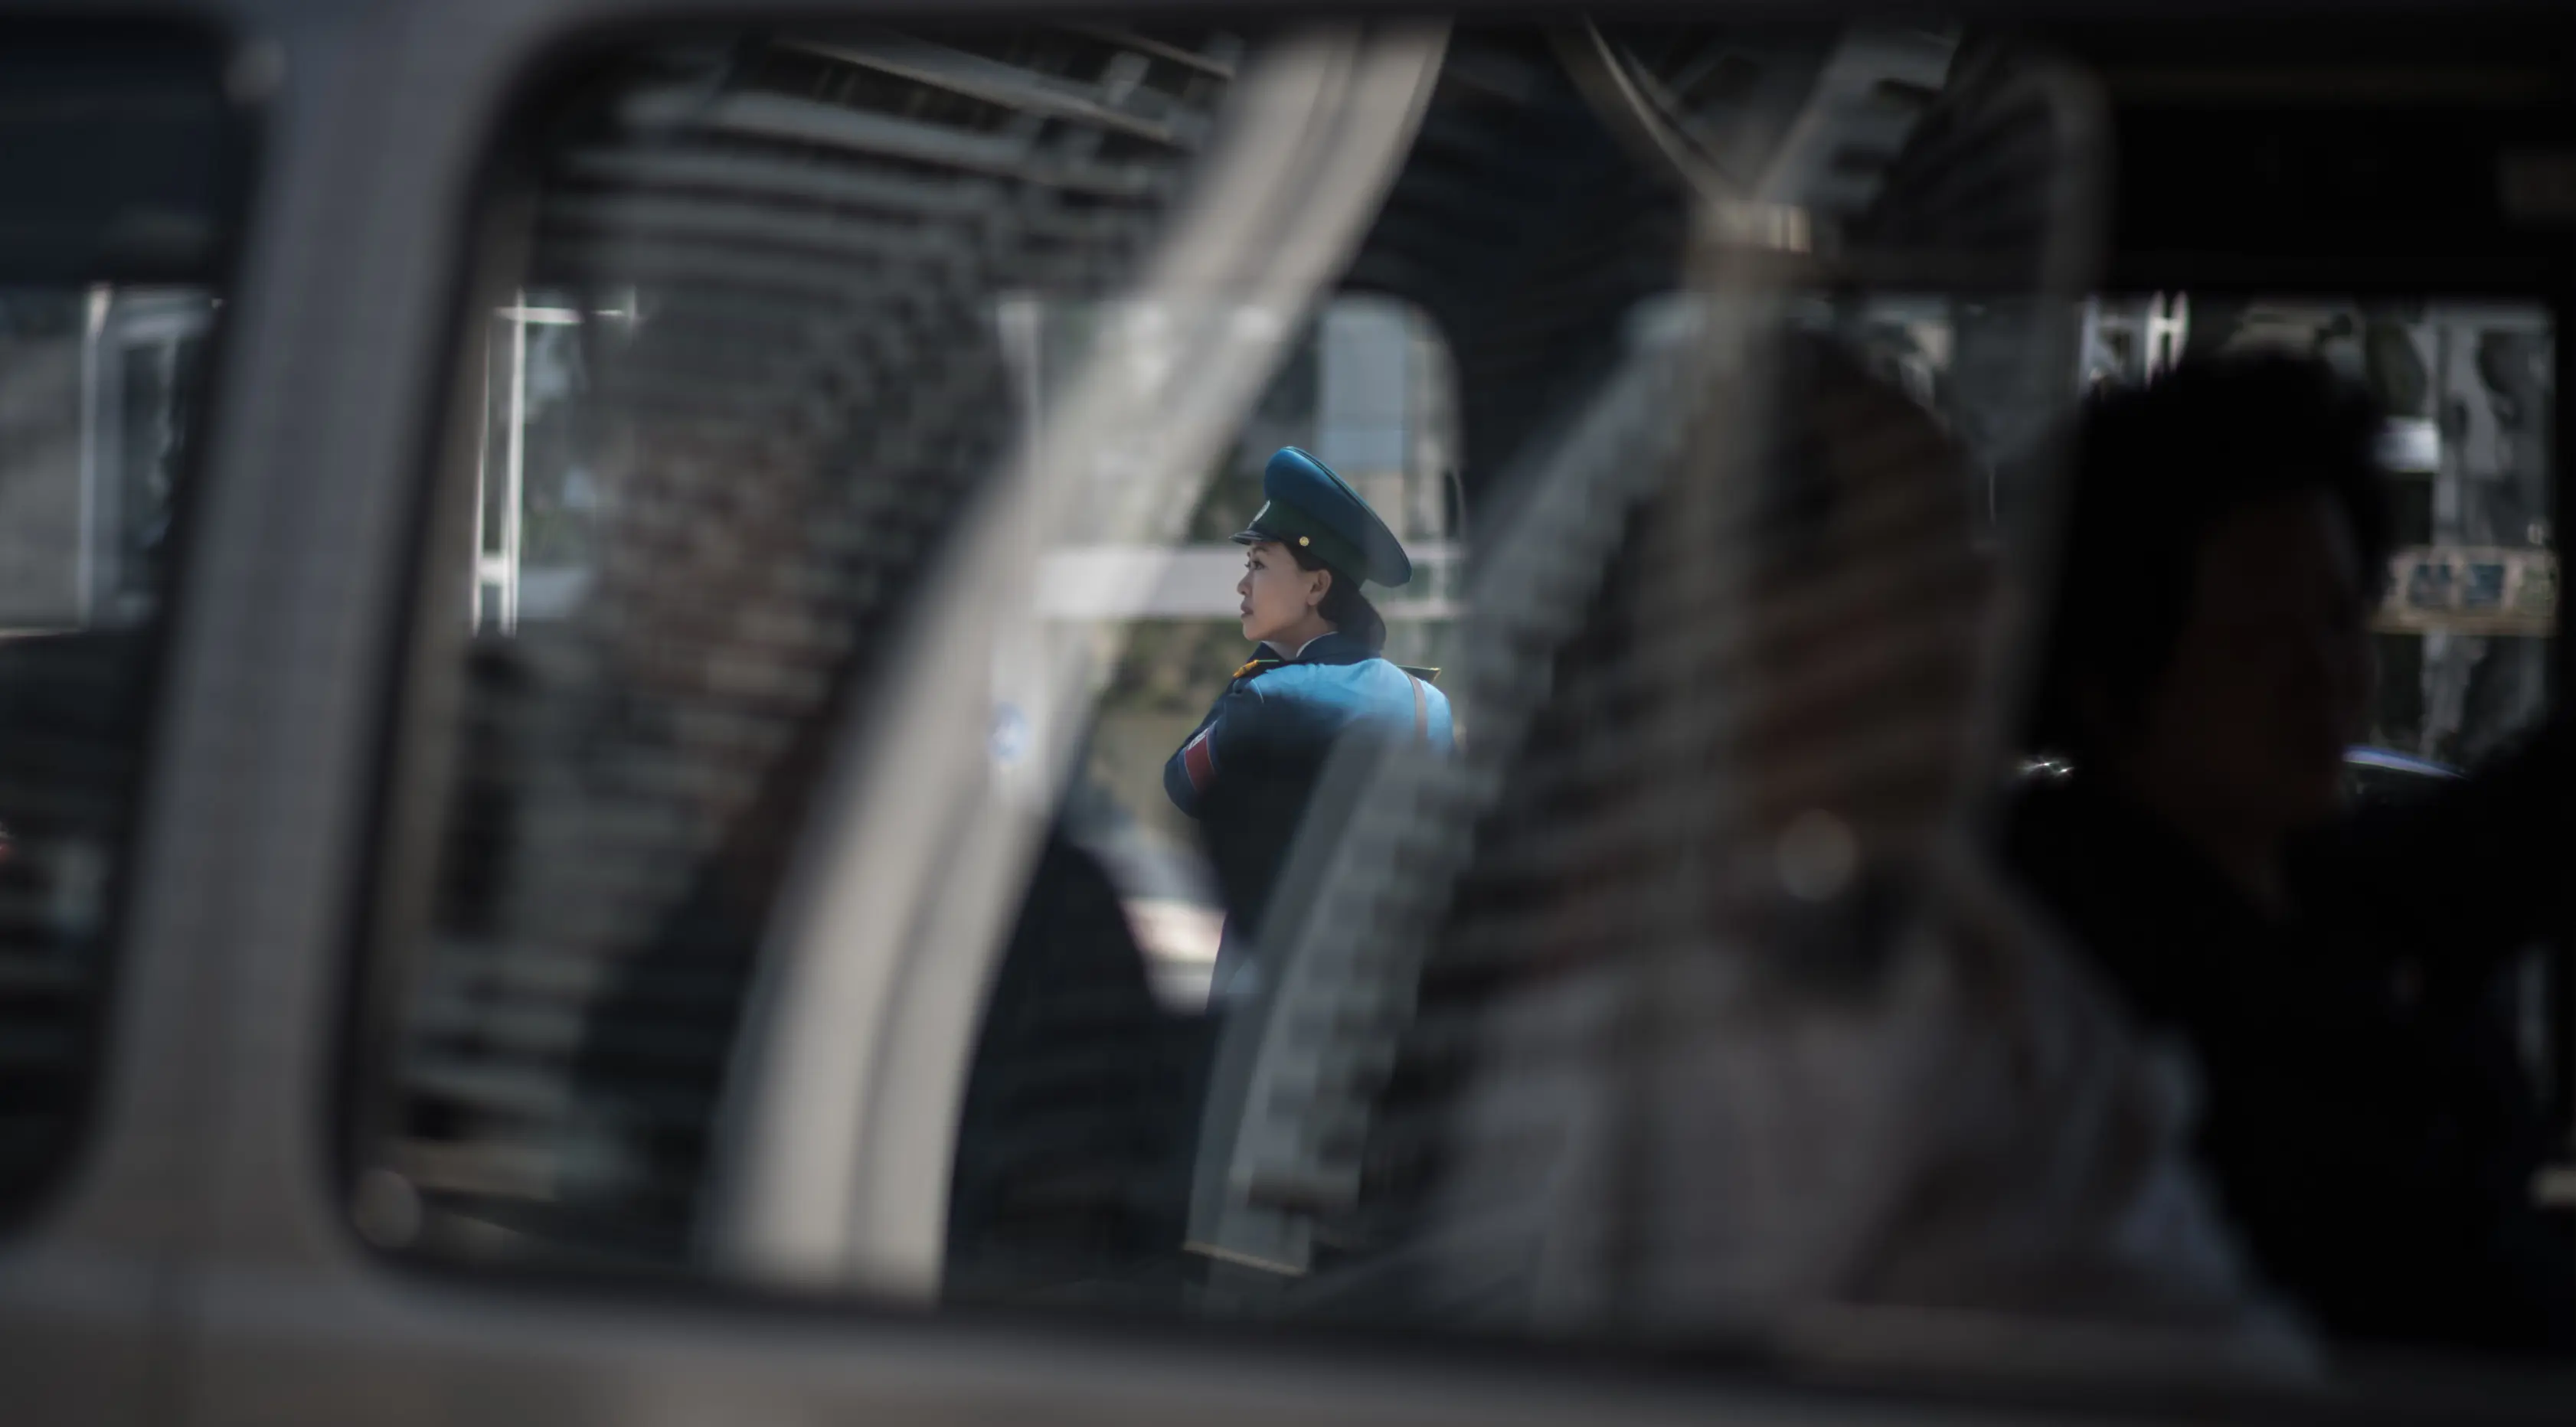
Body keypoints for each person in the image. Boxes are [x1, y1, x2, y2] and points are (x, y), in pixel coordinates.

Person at [2007, 353, 2575, 1356]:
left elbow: (2511, 835)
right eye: (2258, 637)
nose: (2326, 676)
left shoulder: (2313, 884)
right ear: (2110, 678)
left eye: (2339, 619)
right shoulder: (2065, 981)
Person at [1165, 446, 1453, 998]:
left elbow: (1183, 782)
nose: (1242, 586)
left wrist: (1254, 679)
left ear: (1317, 587)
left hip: (1273, 996)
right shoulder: (1427, 704)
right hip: (1397, 985)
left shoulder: (1267, 696)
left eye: (1258, 565)